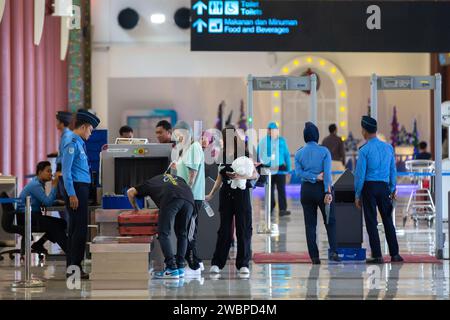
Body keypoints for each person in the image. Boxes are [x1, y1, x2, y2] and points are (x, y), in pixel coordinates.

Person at [207, 126, 258, 276]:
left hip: (241, 195)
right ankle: (217, 262)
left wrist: (240, 177)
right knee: (224, 230)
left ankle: (243, 263)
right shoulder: (221, 155)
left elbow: (254, 175)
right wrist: (211, 194)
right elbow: (219, 178)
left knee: (243, 229)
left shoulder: (244, 153)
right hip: (226, 195)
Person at [354, 116, 403, 264]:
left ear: (364, 131)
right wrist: (393, 188)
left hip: (369, 188)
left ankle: (377, 255)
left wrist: (357, 194)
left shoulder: (364, 150)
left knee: (371, 222)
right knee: (388, 220)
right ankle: (395, 254)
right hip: (384, 188)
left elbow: (360, 175)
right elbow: (392, 170)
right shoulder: (388, 148)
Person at [127, 174, 195, 279]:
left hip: (171, 197)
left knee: (163, 233)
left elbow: (130, 192)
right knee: (182, 233)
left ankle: (171, 268)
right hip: (189, 198)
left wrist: (136, 209)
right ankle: (180, 267)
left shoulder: (149, 183)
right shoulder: (177, 177)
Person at [294, 122, 341, 264]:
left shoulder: (299, 153)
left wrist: (311, 176)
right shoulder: (324, 151)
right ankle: (333, 251)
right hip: (322, 190)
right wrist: (328, 192)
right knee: (330, 221)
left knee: (310, 225)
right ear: (317, 136)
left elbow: (298, 173)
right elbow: (327, 174)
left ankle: (314, 257)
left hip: (306, 190)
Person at [62, 110, 100, 279]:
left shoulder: (78, 143)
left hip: (80, 188)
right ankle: (74, 269)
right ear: (84, 127)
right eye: (90, 130)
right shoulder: (71, 143)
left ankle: (72, 269)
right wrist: (72, 194)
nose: (90, 133)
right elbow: (66, 171)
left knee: (76, 229)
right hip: (76, 189)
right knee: (78, 230)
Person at [171, 121, 205, 275]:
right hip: (184, 197)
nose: (178, 138)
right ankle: (194, 260)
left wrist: (187, 192)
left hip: (191, 197)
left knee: (189, 232)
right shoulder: (185, 150)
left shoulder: (194, 147)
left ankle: (193, 265)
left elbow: (193, 174)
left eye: (180, 135)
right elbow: (185, 170)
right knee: (181, 230)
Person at [17, 161, 67, 254]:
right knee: (55, 226)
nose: (50, 174)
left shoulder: (38, 183)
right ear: (40, 172)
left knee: (62, 223)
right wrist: (54, 186)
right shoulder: (35, 185)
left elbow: (43, 201)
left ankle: (39, 244)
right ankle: (70, 251)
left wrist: (56, 201)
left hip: (32, 215)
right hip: (27, 217)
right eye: (48, 171)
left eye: (51, 171)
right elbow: (47, 203)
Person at [257, 122, 291, 217]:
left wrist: (288, 170)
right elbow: (258, 154)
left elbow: (286, 155)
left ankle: (281, 209)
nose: (270, 132)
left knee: (279, 189)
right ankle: (272, 207)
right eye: (270, 130)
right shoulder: (264, 141)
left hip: (279, 167)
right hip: (268, 167)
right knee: (270, 188)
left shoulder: (282, 141)